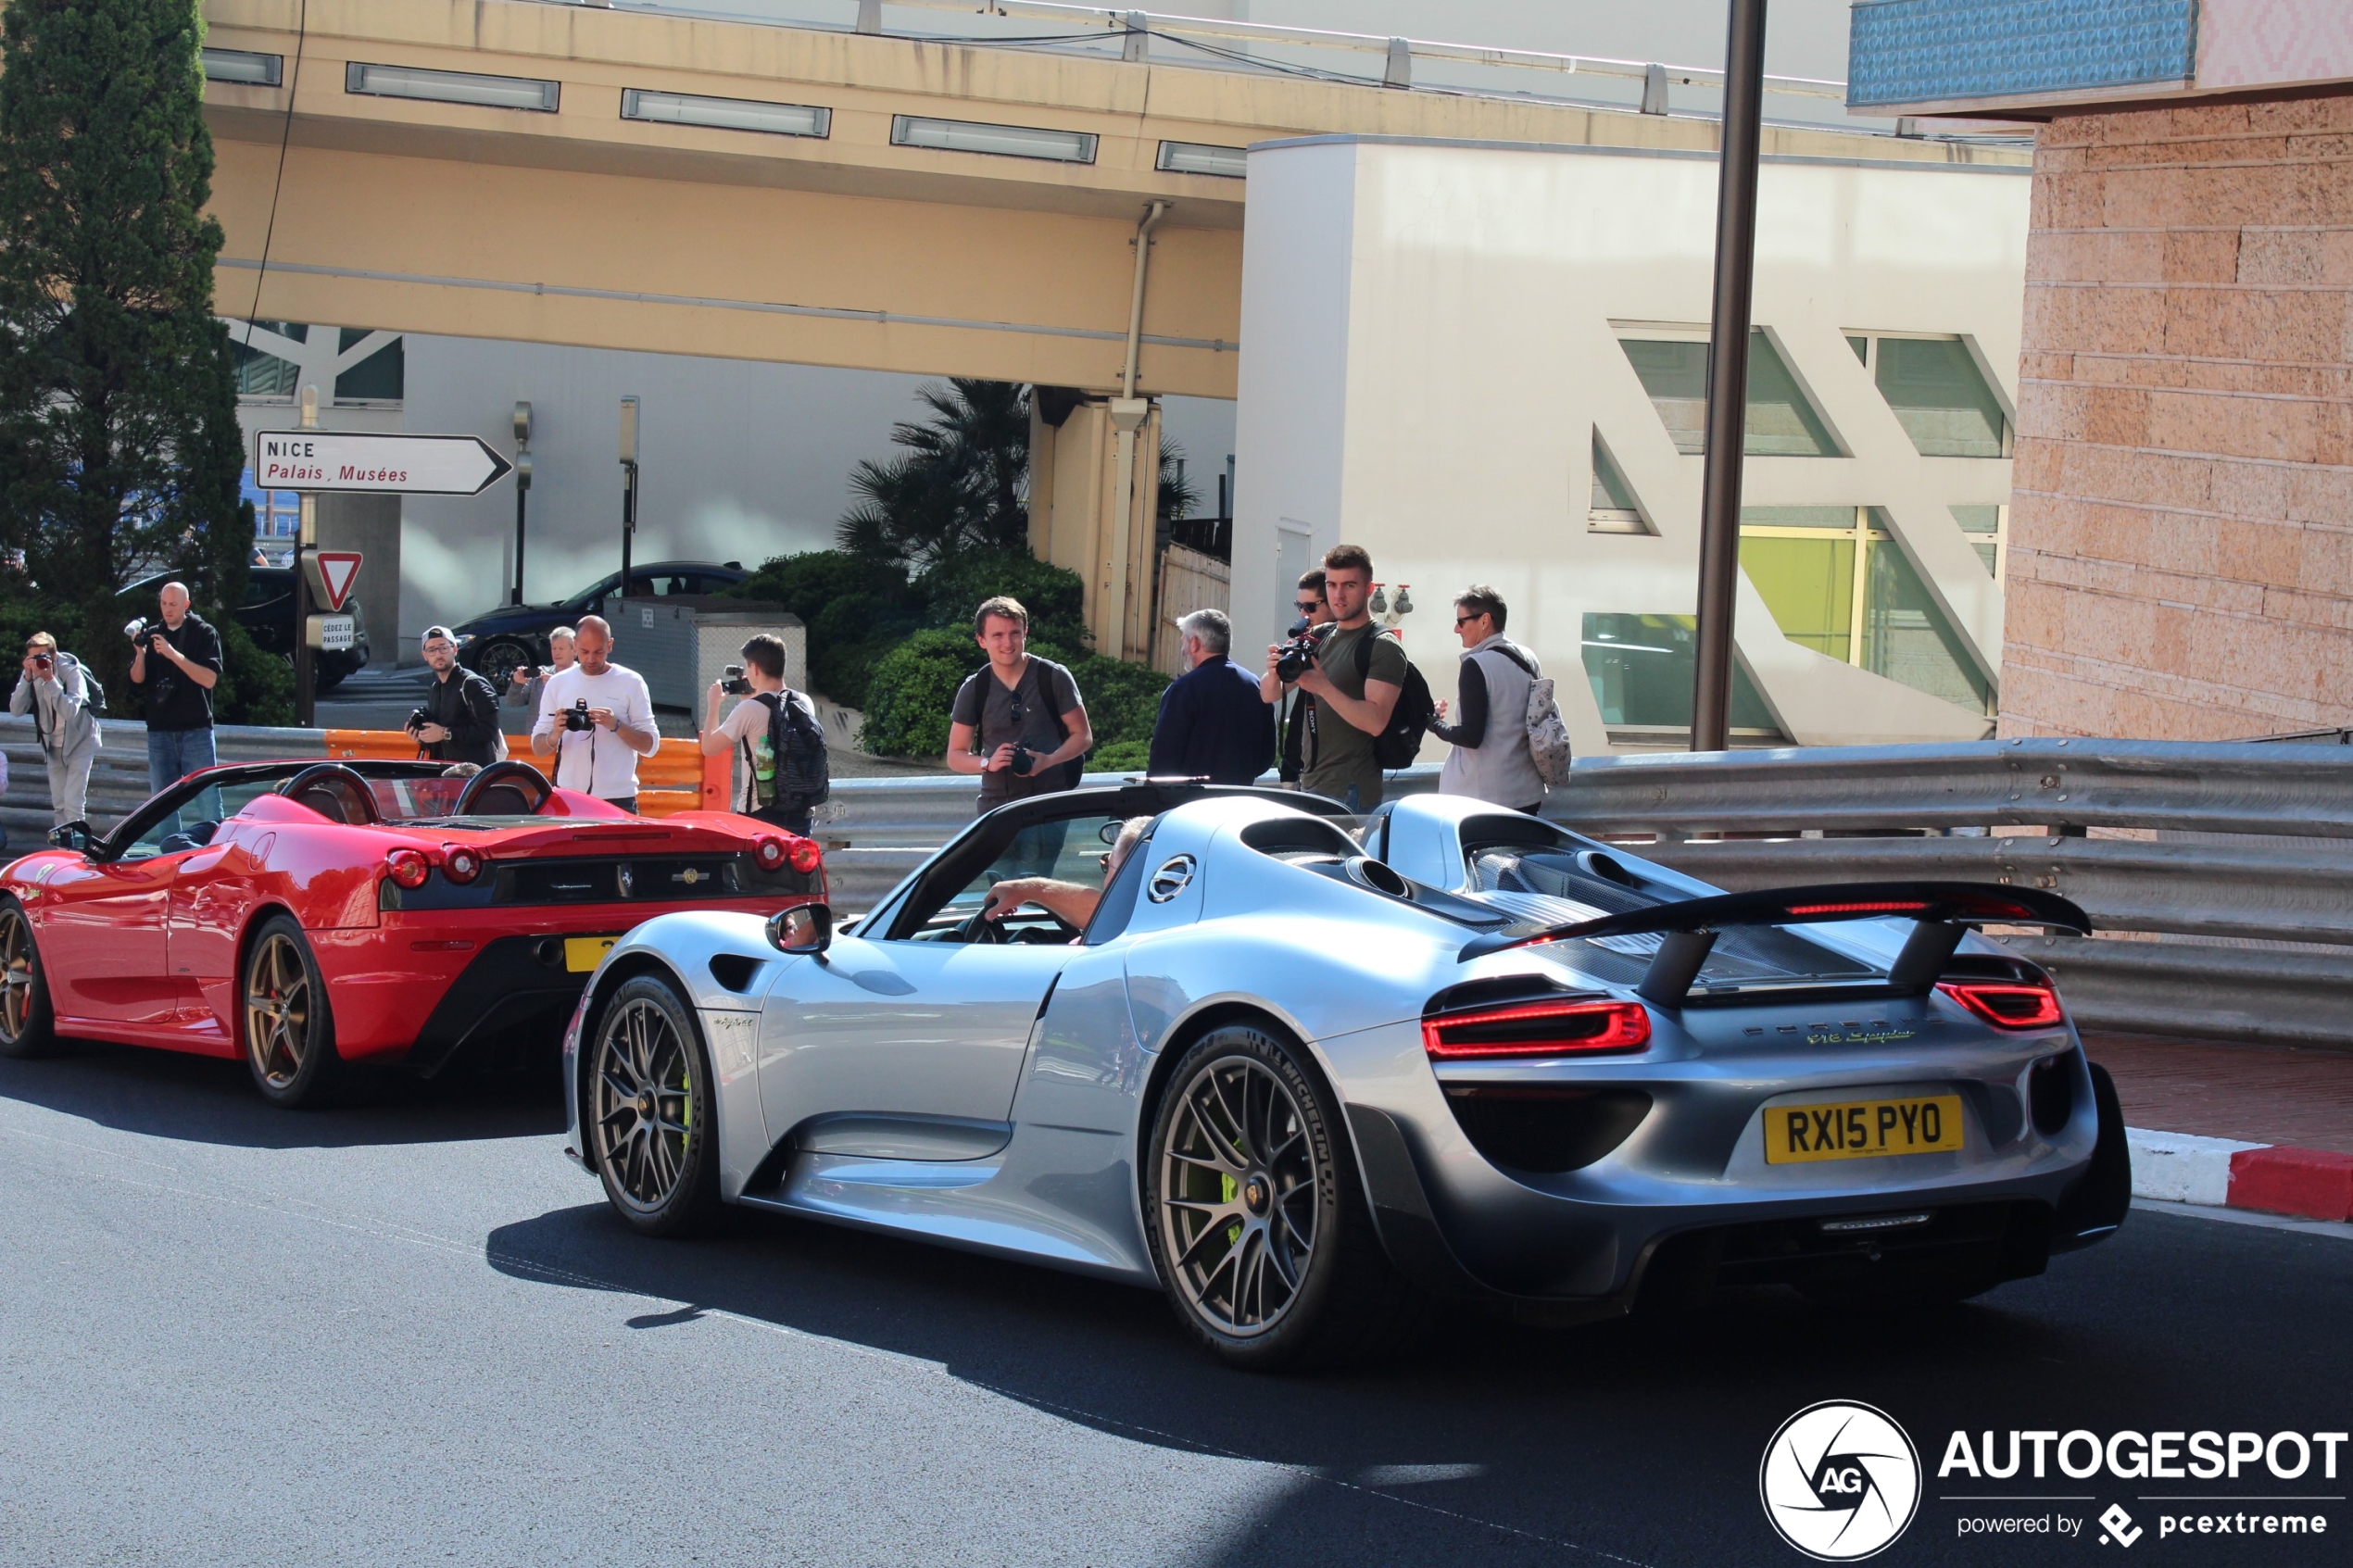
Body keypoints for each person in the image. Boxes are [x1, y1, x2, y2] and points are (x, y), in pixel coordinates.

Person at [1259, 545, 1404, 811]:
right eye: (1331, 585)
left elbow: (1375, 721)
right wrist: (1274, 671)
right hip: (1311, 783)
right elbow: (1269, 694)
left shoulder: (1382, 645)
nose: (1338, 595)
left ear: (1368, 589)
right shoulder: (1321, 634)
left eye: (1349, 585)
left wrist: (1323, 688)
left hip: (1350, 790)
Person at [945, 596, 1093, 815]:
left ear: (1025, 633)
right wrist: (988, 763)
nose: (1008, 643)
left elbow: (1083, 736)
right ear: (981, 640)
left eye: (1014, 633)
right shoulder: (975, 688)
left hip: (1050, 802)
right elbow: (955, 756)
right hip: (997, 807)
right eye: (997, 635)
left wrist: (1049, 760)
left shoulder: (1054, 677)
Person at [1430, 585, 1546, 814]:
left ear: (1484, 621)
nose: (1456, 629)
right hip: (1527, 792)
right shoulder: (1528, 658)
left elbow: (1471, 736)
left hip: (1484, 799)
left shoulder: (1476, 665)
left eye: (1461, 621)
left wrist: (1433, 723)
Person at [700, 633, 826, 834]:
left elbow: (709, 747)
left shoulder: (750, 709)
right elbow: (775, 707)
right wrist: (750, 700)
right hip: (800, 813)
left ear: (755, 668)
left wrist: (714, 704)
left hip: (759, 815)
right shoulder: (804, 702)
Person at [531, 614, 659, 812]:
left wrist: (616, 725)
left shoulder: (632, 682)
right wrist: (555, 733)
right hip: (569, 798)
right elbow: (538, 748)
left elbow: (650, 746)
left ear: (610, 645)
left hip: (617, 798)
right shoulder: (557, 683)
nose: (591, 659)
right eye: (584, 651)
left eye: (598, 652)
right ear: (574, 645)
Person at [1147, 608, 1275, 784]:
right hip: (1240, 799)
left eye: (1184, 640)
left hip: (1189, 803)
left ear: (1194, 643)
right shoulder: (1256, 685)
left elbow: (1164, 759)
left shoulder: (1184, 689)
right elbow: (1266, 757)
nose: (1183, 648)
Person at [130, 580, 222, 796]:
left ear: (186, 604)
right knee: (161, 804)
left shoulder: (204, 632)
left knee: (207, 798)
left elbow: (209, 679)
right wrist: (140, 653)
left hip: (195, 730)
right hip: (160, 730)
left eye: (173, 604)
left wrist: (173, 654)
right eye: (163, 603)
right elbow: (137, 680)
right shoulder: (153, 634)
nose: (167, 609)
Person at [982, 815, 1152, 932]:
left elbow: (1113, 914)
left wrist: (1030, 889)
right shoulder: (1164, 919)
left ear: (1126, 875)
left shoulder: (1109, 943)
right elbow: (1108, 912)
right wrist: (1029, 889)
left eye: (1107, 864)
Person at [10, 632, 101, 827]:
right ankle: (63, 852)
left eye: (41, 657)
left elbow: (70, 711)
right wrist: (26, 678)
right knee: (59, 804)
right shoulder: (33, 673)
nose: (38, 662)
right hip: (53, 745)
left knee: (73, 803)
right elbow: (16, 710)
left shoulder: (72, 672)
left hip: (81, 742)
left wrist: (50, 679)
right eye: (32, 657)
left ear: (53, 655)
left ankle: (77, 851)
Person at [409, 625, 504, 767]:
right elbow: (441, 735)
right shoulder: (435, 688)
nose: (438, 654)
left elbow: (488, 730)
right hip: (444, 775)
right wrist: (424, 736)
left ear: (454, 649)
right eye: (431, 650)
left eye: (443, 648)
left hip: (473, 776)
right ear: (425, 656)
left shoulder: (472, 683)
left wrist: (444, 733)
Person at [1277, 569, 1327, 785]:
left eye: (1310, 607)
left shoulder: (1347, 645)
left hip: (1329, 771)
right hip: (1296, 765)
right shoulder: (1307, 642)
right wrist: (1278, 667)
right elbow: (1271, 694)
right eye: (1300, 606)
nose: (1303, 615)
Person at [506, 625, 575, 710]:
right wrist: (518, 684)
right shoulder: (540, 674)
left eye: (561, 648)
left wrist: (556, 684)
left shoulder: (583, 675)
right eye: (554, 648)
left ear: (574, 650)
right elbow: (513, 702)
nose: (557, 652)